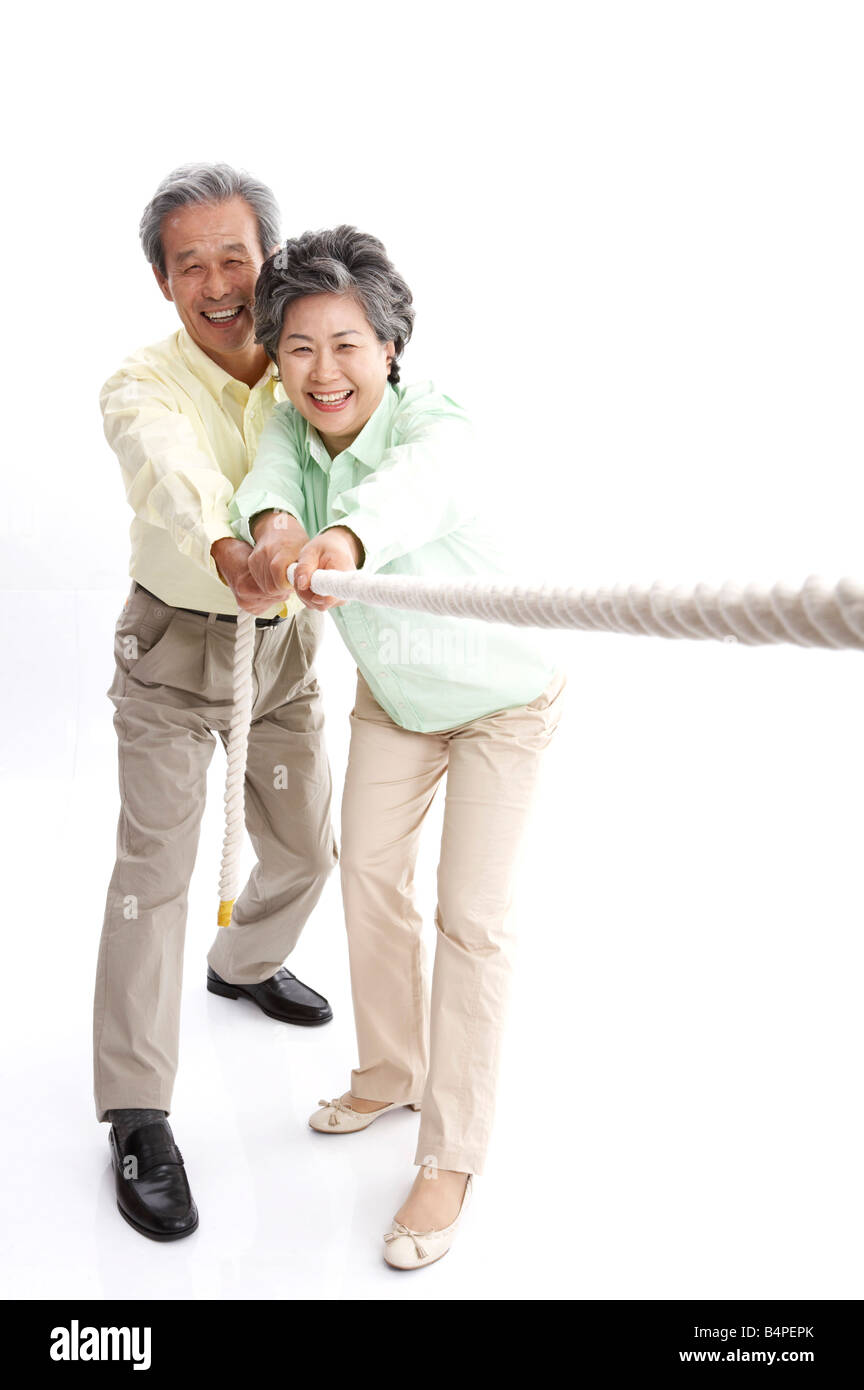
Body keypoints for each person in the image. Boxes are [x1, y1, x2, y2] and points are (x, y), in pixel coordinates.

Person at [227, 226, 566, 1268]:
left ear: (389, 348)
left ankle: (451, 1153)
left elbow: (416, 490)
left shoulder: (440, 423)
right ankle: (390, 1069)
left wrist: (341, 542)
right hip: (397, 696)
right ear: (278, 360)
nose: (322, 371)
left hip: (502, 699)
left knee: (472, 918)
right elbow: (274, 466)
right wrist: (279, 522)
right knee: (368, 875)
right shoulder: (287, 418)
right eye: (297, 347)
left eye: (346, 345)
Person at [93, 165, 338, 1242]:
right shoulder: (137, 383)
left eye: (233, 255)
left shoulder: (305, 368)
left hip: (280, 653)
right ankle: (137, 1110)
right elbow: (172, 469)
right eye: (188, 261)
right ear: (163, 280)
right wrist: (230, 546)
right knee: (156, 875)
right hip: (173, 655)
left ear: (267, 261)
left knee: (308, 845)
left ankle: (242, 964)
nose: (216, 280)